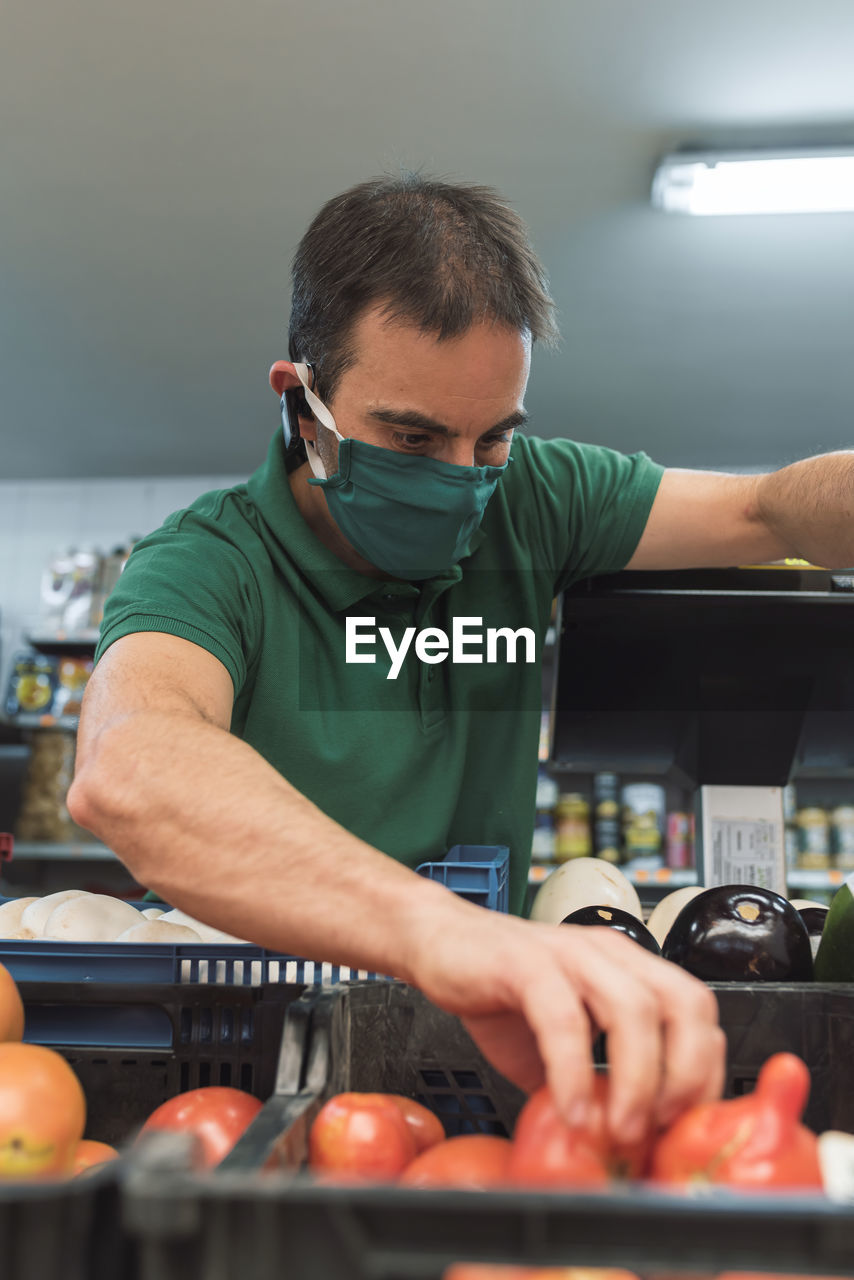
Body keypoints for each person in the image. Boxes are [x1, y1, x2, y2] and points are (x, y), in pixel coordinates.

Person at [68, 174, 853, 1144]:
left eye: (489, 438)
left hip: (472, 1053)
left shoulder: (535, 497)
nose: (459, 477)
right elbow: (130, 766)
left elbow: (764, 509)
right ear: (303, 406)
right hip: (241, 1049)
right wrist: (437, 928)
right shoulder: (207, 562)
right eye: (412, 438)